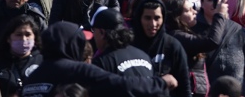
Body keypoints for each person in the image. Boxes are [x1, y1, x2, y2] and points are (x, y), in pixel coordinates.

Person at [22, 22, 176, 97]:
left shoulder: (32, 78)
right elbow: (122, 84)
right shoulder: (76, 70)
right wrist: (161, 82)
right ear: (71, 43)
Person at [192, 0, 245, 84]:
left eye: (220, 1)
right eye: (211, 0)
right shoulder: (192, 29)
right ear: (202, 4)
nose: (216, 4)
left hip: (235, 90)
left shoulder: (237, 30)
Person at [164, 0, 228, 96]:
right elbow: (212, 41)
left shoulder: (185, 33)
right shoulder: (176, 36)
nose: (195, 12)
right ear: (177, 16)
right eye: (188, 10)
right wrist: (219, 15)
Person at [130, 0, 191, 97]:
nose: (153, 24)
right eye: (147, 18)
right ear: (139, 18)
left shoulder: (173, 46)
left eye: (157, 18)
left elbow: (184, 87)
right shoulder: (129, 45)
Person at [89, 7, 154, 78]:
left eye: (94, 30)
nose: (94, 35)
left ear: (102, 32)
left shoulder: (101, 63)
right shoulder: (144, 56)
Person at [0, 14, 42, 95]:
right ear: (8, 38)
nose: (23, 39)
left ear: (35, 37)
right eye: (18, 35)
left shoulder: (43, 61)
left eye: (28, 34)